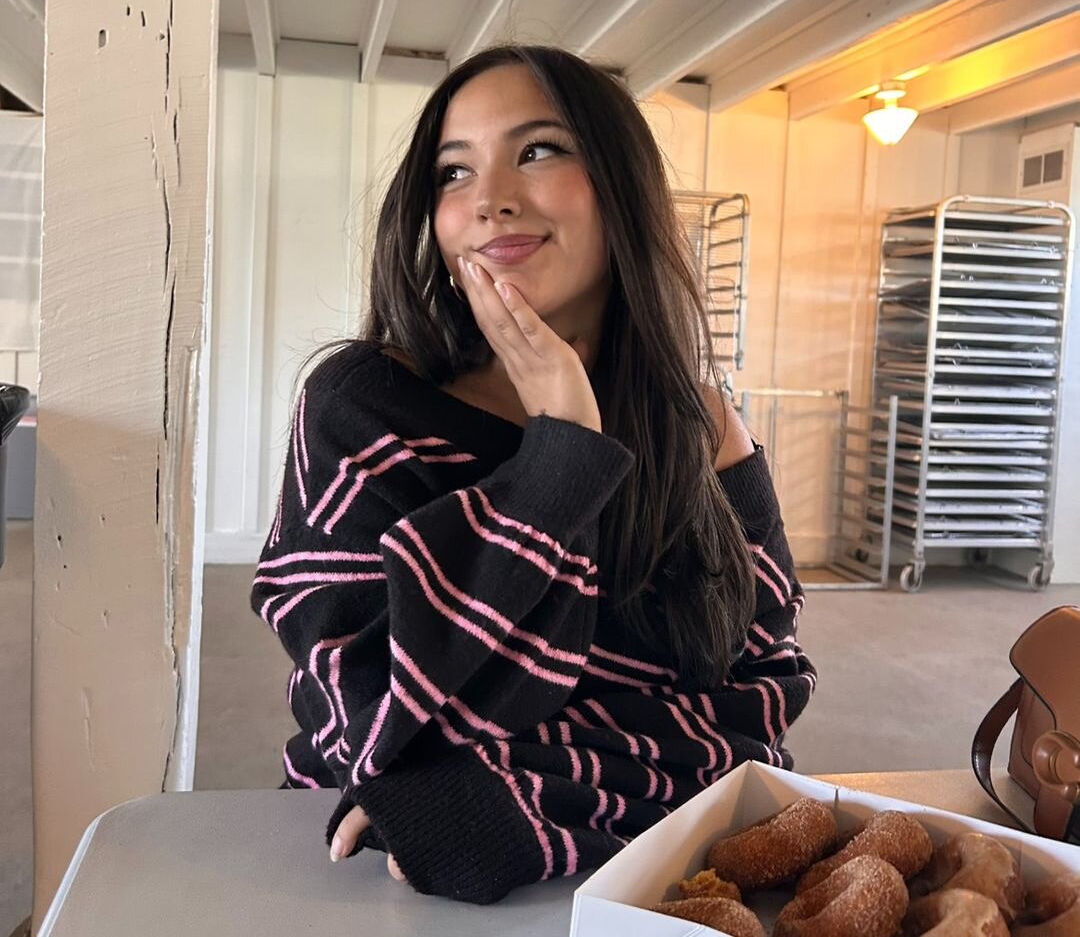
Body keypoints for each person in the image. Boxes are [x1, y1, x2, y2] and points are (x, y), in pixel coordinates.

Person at [251, 44, 815, 905]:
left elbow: (762, 701)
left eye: (539, 149)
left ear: (620, 188)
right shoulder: (360, 407)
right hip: (375, 882)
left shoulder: (699, 424)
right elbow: (371, 725)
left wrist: (507, 802)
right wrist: (560, 457)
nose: (490, 199)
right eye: (454, 171)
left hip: (642, 887)